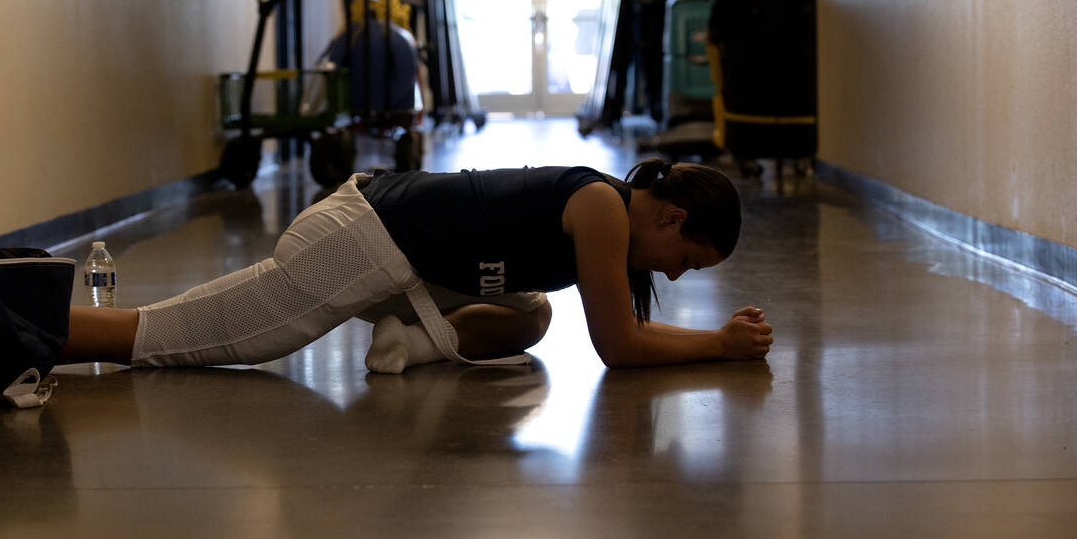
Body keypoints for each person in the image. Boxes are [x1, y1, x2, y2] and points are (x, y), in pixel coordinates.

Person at [60, 159, 773, 372]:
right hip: (360, 239)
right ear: (674, 218)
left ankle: (411, 341)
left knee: (532, 314)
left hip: (405, 261)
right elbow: (618, 347)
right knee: (168, 337)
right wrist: (721, 345)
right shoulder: (602, 207)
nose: (676, 275)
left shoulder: (606, 212)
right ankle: (34, 329)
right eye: (688, 260)